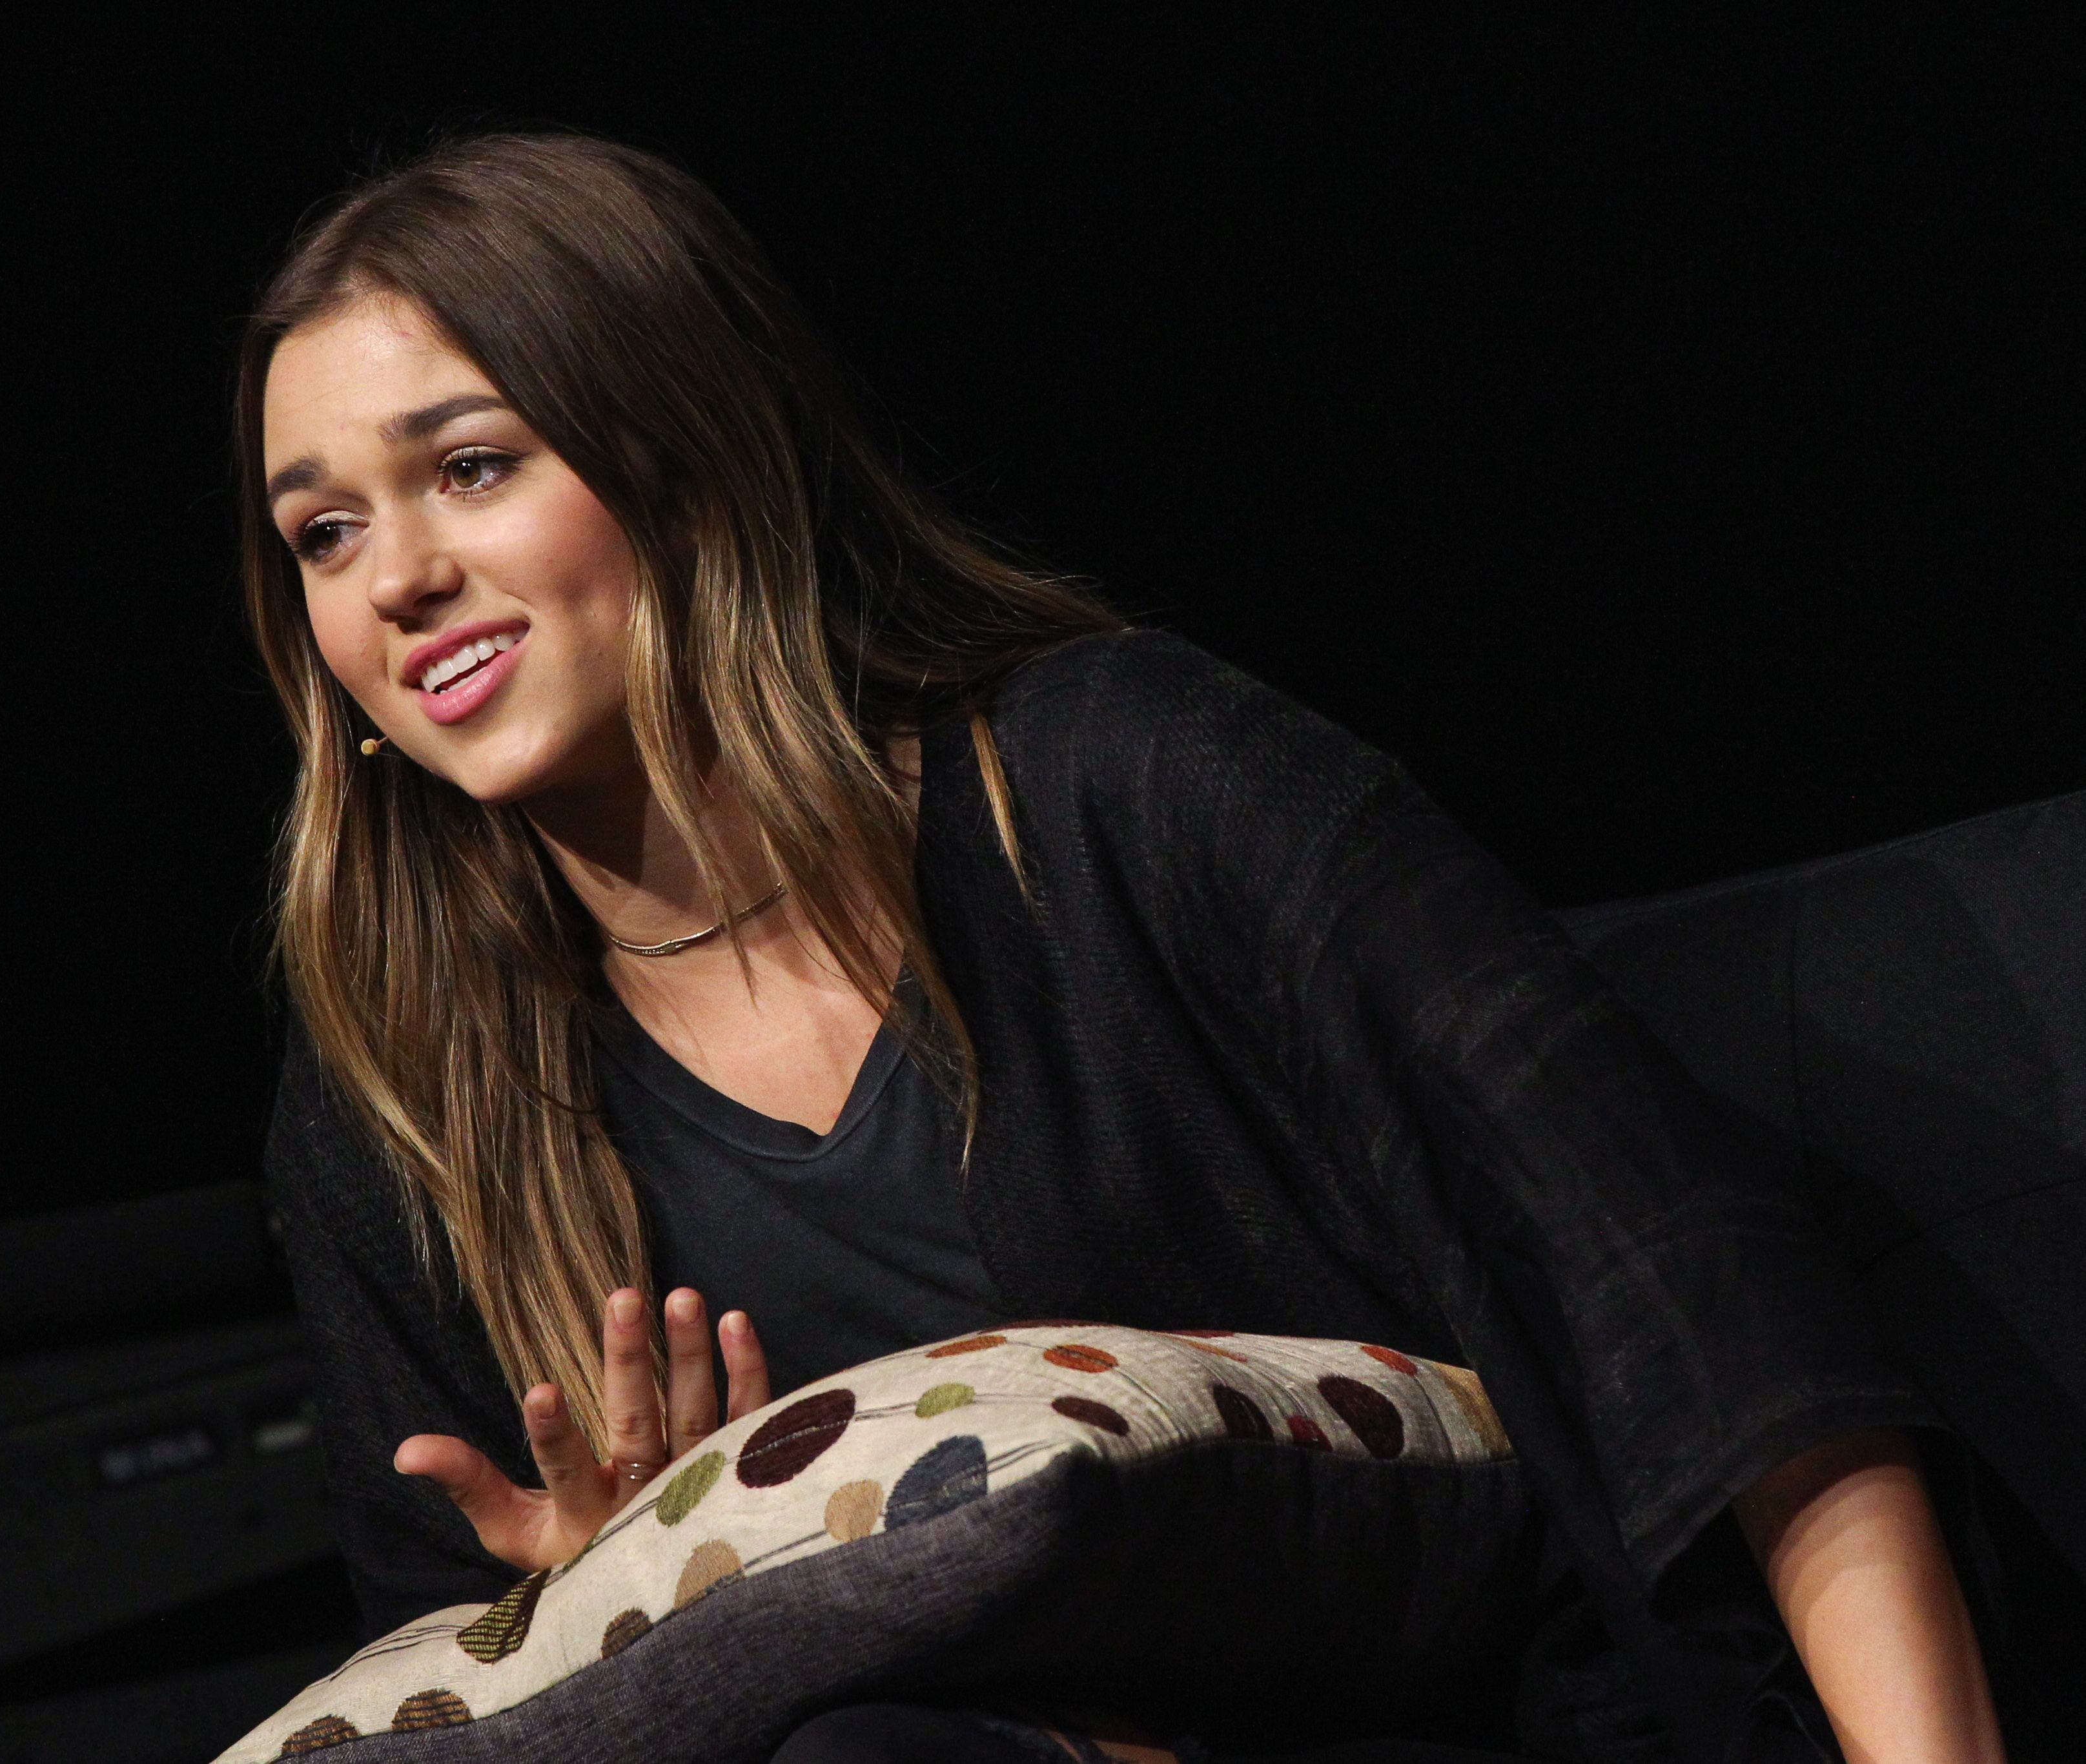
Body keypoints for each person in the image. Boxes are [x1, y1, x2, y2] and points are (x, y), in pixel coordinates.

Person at [240, 132, 2003, 1761]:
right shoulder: (405, 1102)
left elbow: (1705, 1318)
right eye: (324, 532)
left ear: (686, 461)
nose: (393, 578)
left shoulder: (1127, 782)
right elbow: (442, 1682)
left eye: (469, 468)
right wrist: (617, 1624)